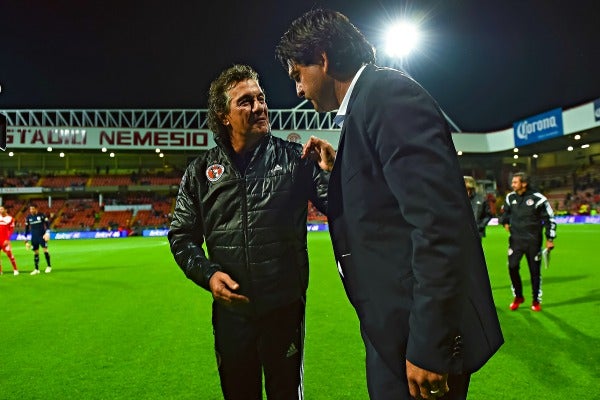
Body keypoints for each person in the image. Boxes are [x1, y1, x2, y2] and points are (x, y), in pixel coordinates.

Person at [276, 9, 503, 400]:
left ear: (324, 60)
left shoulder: (388, 96)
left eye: (298, 74)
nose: (298, 90)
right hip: (397, 333)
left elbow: (438, 226)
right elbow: (382, 212)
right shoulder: (369, 103)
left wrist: (429, 346)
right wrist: (338, 172)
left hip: (419, 340)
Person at [168, 64, 331, 400]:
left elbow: (340, 207)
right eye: (245, 101)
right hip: (231, 316)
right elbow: (181, 237)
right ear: (223, 115)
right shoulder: (200, 172)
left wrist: (331, 170)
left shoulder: (295, 160)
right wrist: (210, 276)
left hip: (283, 311)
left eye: (261, 98)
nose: (259, 107)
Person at [500, 172, 556, 312]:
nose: (512, 185)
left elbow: (550, 219)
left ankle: (536, 300)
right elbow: (505, 213)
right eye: (512, 182)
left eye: (515, 182)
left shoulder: (538, 199)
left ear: (524, 184)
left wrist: (550, 238)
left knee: (534, 272)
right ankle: (518, 296)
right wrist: (505, 222)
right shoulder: (510, 197)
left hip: (533, 241)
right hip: (515, 241)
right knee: (512, 267)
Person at [24, 204, 52, 275]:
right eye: (30, 209)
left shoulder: (42, 215)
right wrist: (26, 241)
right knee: (36, 253)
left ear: (36, 209)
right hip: (34, 237)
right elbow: (26, 229)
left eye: (32, 209)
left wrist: (47, 233)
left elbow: (47, 224)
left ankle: (49, 266)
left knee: (45, 250)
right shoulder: (28, 217)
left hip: (42, 236)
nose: (31, 210)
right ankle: (36, 269)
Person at [0, 205, 20, 276]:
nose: (0, 210)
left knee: (9, 254)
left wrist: (7, 239)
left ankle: (15, 270)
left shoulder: (10, 219)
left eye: (2, 209)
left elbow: (11, 230)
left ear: (5, 210)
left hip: (4, 240)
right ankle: (0, 271)